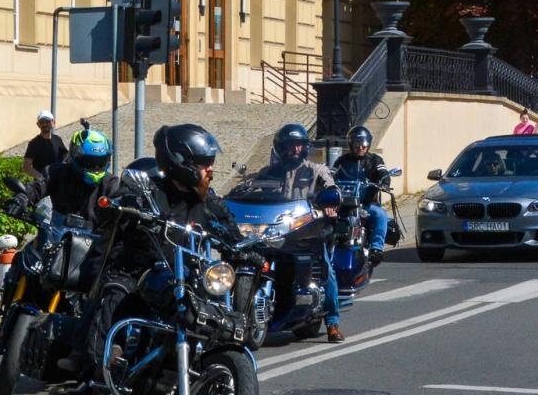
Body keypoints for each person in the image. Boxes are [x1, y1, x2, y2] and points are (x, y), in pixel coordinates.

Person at [77, 124, 239, 375]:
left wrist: (244, 246)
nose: (210, 169)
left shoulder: (204, 198)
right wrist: (124, 205)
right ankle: (96, 372)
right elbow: (116, 203)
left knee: (211, 311)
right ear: (181, 162)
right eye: (204, 163)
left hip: (181, 276)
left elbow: (227, 222)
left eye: (211, 162)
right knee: (115, 297)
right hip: (135, 271)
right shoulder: (149, 189)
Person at [253, 123, 345, 342]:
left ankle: (332, 322)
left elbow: (333, 190)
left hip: (307, 232)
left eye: (298, 145)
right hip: (275, 232)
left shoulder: (316, 171)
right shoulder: (269, 173)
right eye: (289, 146)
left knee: (326, 270)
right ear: (280, 148)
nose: (294, 150)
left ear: (305, 147)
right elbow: (251, 188)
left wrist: (331, 202)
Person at [331, 125, 391, 266]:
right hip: (345, 203)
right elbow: (331, 174)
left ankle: (377, 249)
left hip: (366, 203)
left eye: (364, 145)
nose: (361, 148)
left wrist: (384, 182)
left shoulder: (375, 160)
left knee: (381, 215)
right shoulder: (342, 161)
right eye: (357, 145)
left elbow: (383, 173)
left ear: (368, 144)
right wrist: (325, 181)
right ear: (351, 144)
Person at [22, 110, 68, 179]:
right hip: (43, 187)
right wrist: (42, 178)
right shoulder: (34, 143)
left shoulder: (58, 139)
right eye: (42, 122)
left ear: (53, 122)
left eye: (47, 121)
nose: (44, 124)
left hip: (59, 183)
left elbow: (66, 158)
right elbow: (26, 167)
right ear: (38, 124)